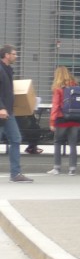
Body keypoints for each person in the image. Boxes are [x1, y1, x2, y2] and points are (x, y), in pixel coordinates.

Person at [0, 45, 32, 182]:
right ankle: (15, 173)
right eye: (14, 54)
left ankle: (16, 173)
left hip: (8, 112)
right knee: (15, 139)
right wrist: (1, 107)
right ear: (7, 55)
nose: (16, 56)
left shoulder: (8, 70)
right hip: (3, 111)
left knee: (16, 139)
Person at [48, 65, 80, 176]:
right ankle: (72, 169)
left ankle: (57, 168)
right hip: (75, 119)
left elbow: (56, 105)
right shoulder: (75, 85)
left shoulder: (58, 88)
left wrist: (52, 121)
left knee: (57, 142)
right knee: (73, 144)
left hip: (62, 118)